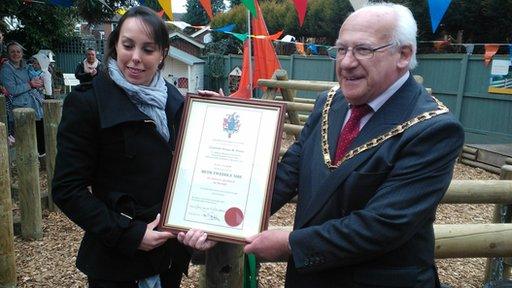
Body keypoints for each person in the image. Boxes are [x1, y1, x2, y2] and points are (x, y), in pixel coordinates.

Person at [241, 3, 465, 287]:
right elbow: (290, 172)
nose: (346, 62)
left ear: (404, 55)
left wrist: (290, 244)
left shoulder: (433, 128)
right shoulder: (328, 103)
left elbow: (383, 225)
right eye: (341, 49)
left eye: (363, 50)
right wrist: (228, 217)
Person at [52, 6, 214, 288]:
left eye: (148, 49)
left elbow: (193, 161)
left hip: (168, 256)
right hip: (118, 262)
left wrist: (214, 113)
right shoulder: (88, 103)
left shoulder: (172, 98)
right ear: (115, 45)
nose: (136, 58)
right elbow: (67, 189)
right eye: (128, 45)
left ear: (163, 53)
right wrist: (129, 233)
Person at [0, 41, 45, 154]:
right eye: (12, 52)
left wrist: (40, 81)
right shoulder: (6, 70)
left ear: (22, 53)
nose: (16, 54)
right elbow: (12, 90)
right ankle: (29, 164)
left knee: (40, 136)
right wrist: (30, 84)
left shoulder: (27, 67)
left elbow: (35, 81)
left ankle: (41, 162)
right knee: (26, 138)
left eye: (18, 51)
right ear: (8, 54)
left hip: (35, 105)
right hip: (20, 108)